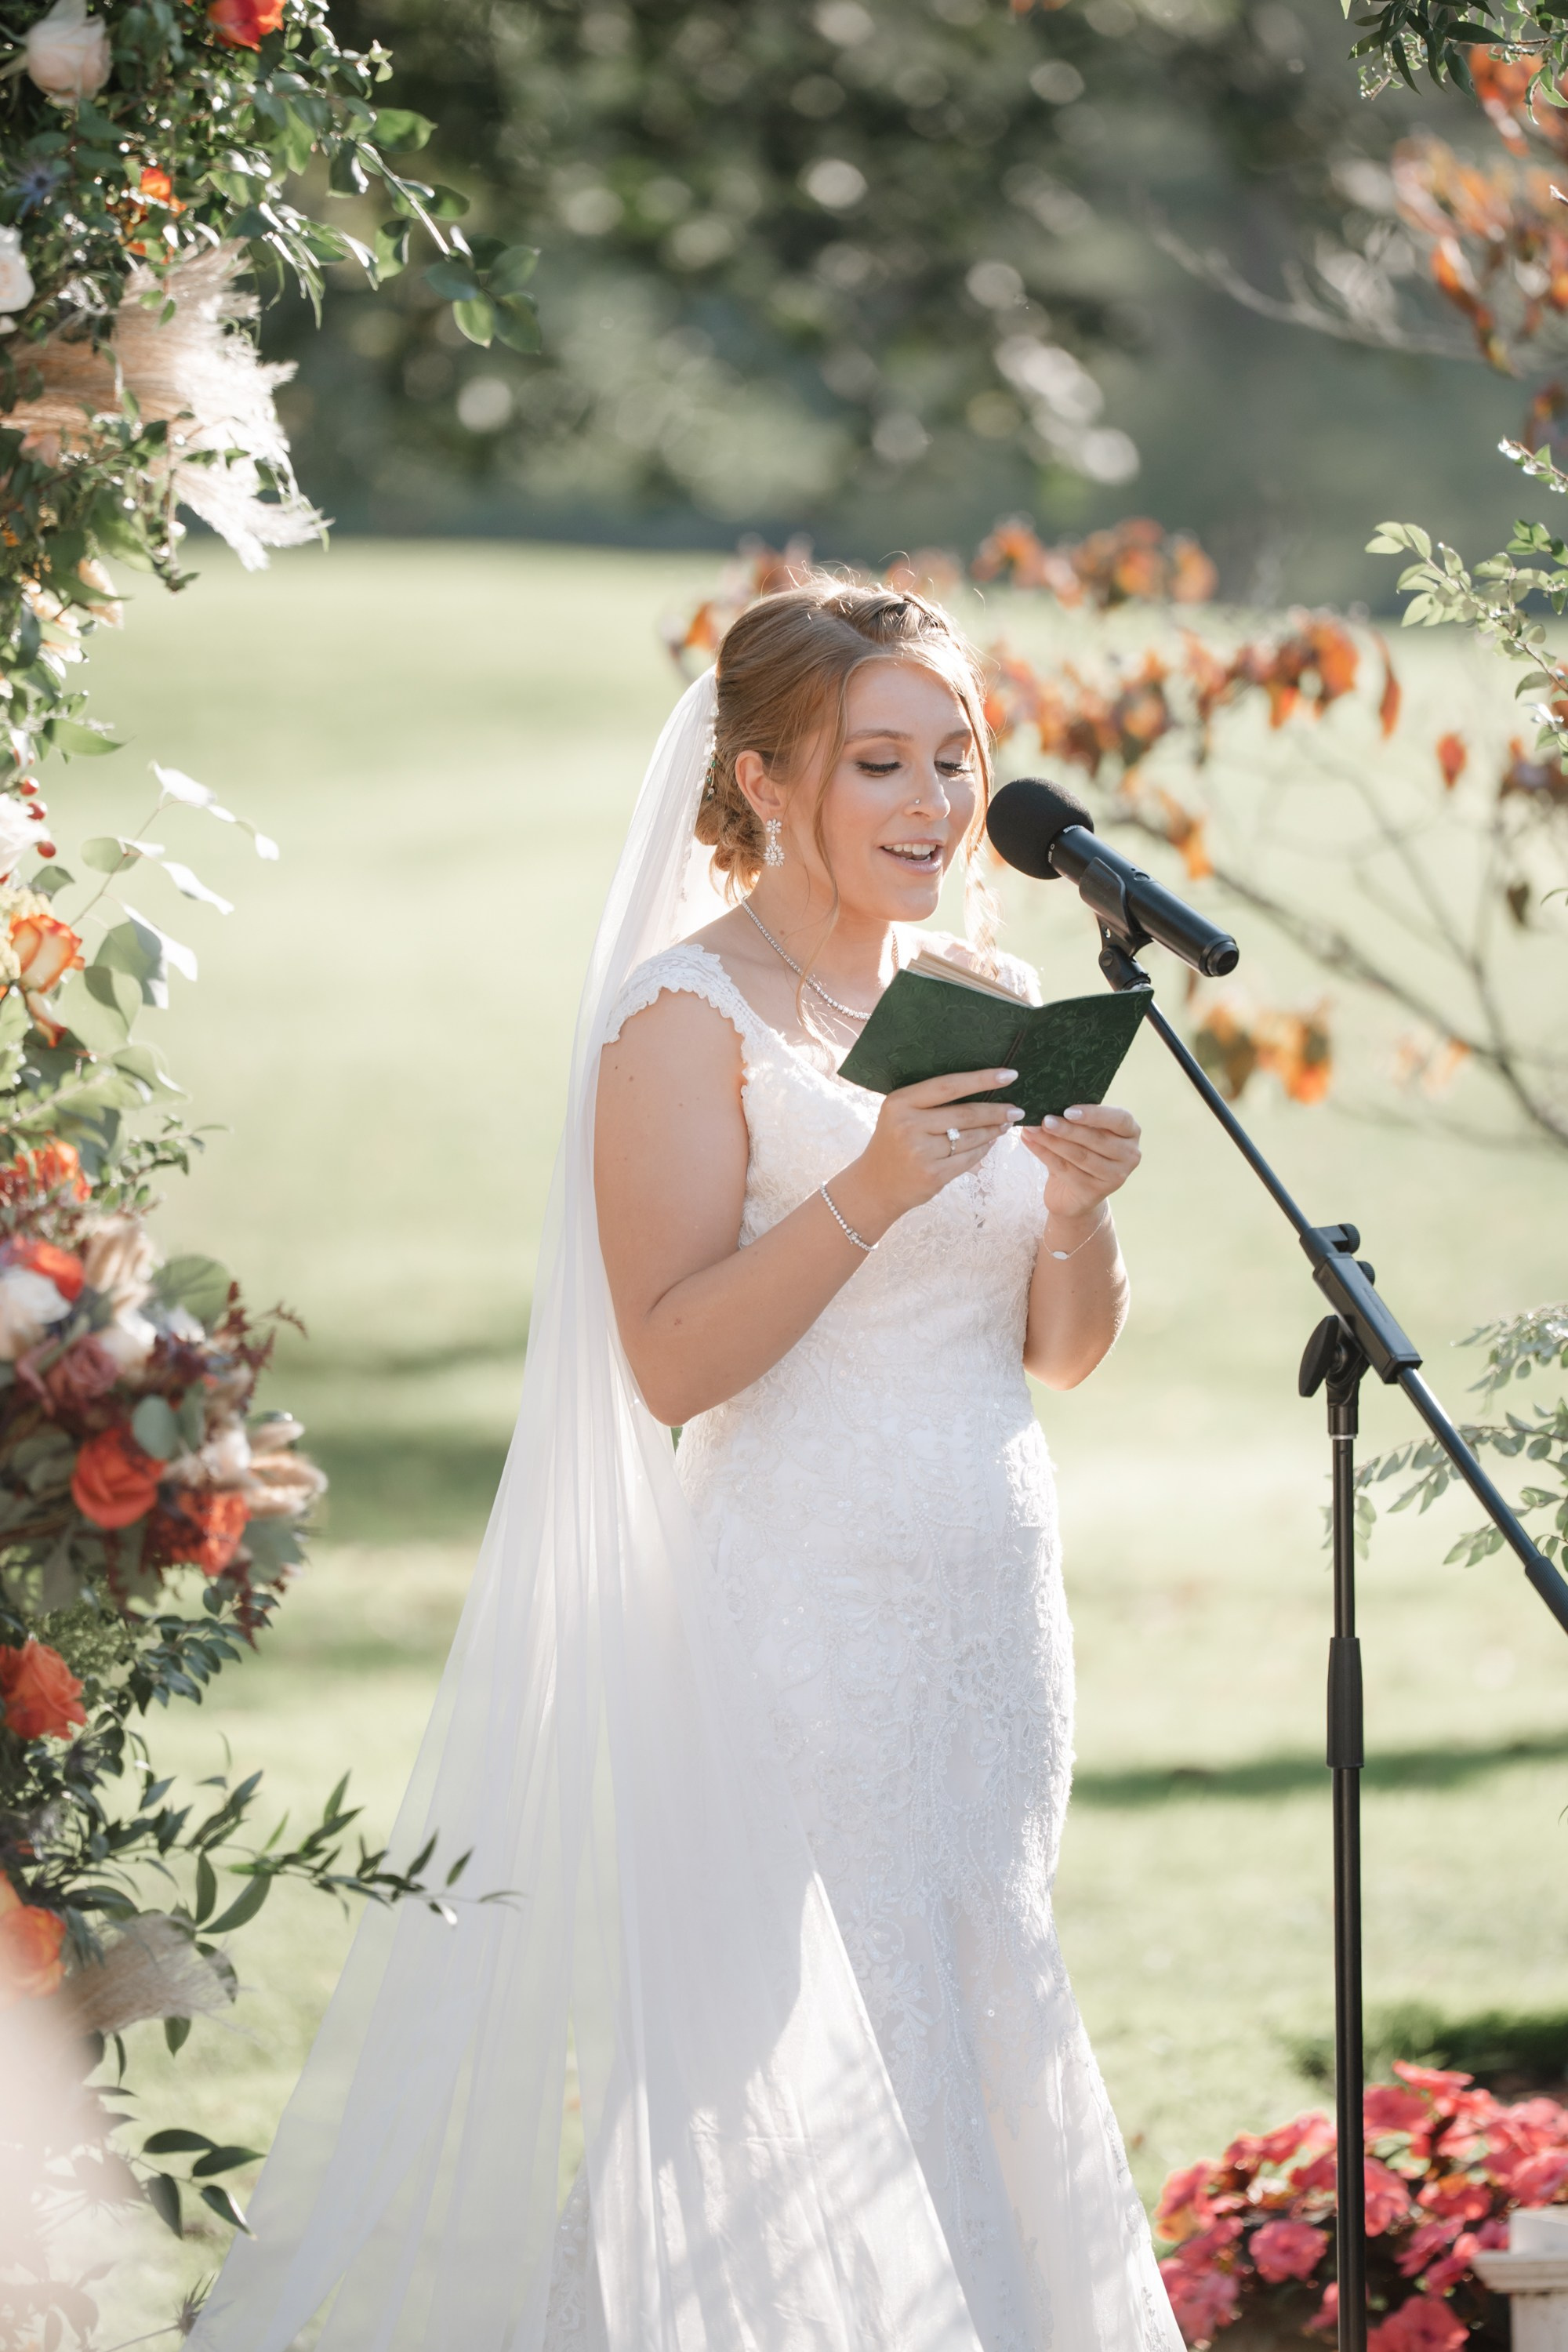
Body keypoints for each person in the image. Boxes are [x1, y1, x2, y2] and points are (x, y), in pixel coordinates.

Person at [189, 579, 1178, 2352]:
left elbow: (1058, 1351)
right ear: (765, 778)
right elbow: (667, 1358)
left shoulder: (985, 989)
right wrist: (872, 1186)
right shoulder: (681, 1018)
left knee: (973, 2016)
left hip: (989, 1612)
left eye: (955, 759)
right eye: (881, 762)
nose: (937, 806)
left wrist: (1082, 1218)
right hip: (790, 1615)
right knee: (767, 2065)